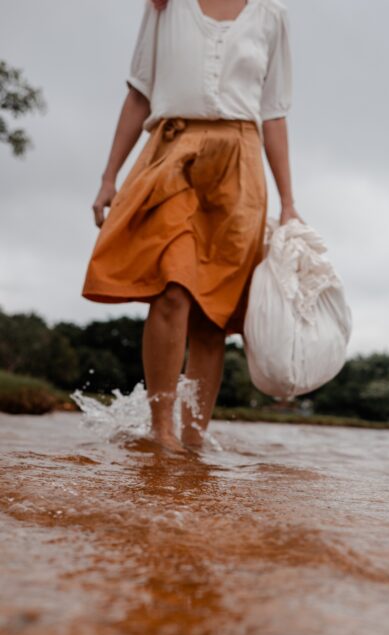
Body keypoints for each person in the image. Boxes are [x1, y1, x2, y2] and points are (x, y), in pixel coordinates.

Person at [82, 0, 302, 453]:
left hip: (240, 163)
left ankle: (194, 441)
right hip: (171, 151)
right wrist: (109, 177)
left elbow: (274, 114)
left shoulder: (271, 14)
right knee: (173, 287)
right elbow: (139, 93)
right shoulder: (166, 6)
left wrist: (289, 203)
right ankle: (161, 432)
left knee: (212, 315)